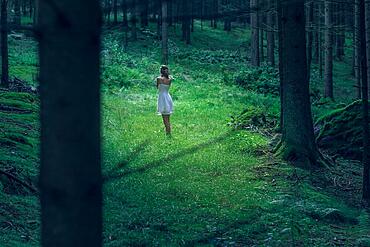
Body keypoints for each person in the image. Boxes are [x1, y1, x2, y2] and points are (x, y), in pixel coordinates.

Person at [157, 65, 173, 136]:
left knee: (164, 119)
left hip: (162, 98)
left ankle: (168, 133)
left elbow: (158, 87)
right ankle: (168, 132)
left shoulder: (159, 79)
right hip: (168, 97)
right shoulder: (170, 79)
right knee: (168, 118)